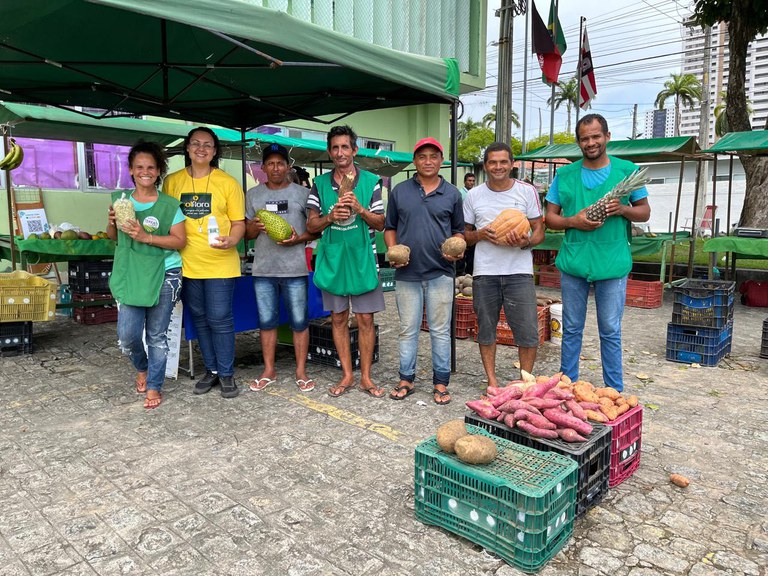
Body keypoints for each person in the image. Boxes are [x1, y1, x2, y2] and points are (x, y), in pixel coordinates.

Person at [545, 114, 650, 392]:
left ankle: (614, 391)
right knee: (571, 328)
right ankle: (567, 386)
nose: (590, 142)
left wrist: (623, 209)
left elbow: (644, 212)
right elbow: (550, 218)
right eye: (584, 138)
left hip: (612, 260)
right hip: (575, 260)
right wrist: (573, 221)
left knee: (610, 330)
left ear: (607, 136)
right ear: (579, 141)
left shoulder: (627, 171)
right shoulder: (564, 174)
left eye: (595, 136)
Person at [163, 127, 246, 399]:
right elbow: (166, 221)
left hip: (220, 263)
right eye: (196, 144)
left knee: (220, 319)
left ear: (214, 151)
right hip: (185, 263)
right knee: (199, 318)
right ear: (187, 148)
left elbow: (239, 223)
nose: (201, 149)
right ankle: (210, 370)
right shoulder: (172, 182)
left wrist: (233, 240)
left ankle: (226, 373)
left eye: (207, 145)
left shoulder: (228, 183)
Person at [306, 125, 386, 398]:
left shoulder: (371, 182)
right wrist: (331, 217)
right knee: (338, 318)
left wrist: (359, 209)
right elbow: (312, 225)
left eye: (345, 147)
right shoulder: (319, 184)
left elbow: (381, 222)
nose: (340, 152)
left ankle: (365, 377)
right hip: (333, 259)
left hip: (363, 257)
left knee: (364, 318)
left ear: (354, 150)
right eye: (335, 147)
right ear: (330, 152)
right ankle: (347, 374)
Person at [384, 137, 464, 405]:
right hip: (407, 273)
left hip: (441, 271)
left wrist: (458, 248)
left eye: (433, 156)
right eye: (422, 156)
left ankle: (441, 382)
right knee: (408, 329)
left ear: (441, 160)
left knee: (440, 330)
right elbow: (390, 227)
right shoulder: (400, 191)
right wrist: (393, 251)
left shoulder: (452, 194)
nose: (428, 161)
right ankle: (406, 378)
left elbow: (459, 231)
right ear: (414, 161)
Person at [107, 141, 186, 409]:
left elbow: (179, 241)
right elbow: (114, 239)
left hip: (165, 272)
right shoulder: (120, 200)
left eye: (151, 167)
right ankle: (142, 366)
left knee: (156, 335)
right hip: (131, 273)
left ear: (159, 171)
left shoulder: (169, 205)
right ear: (131, 170)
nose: (145, 172)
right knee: (127, 336)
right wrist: (111, 223)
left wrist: (146, 236)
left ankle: (154, 385)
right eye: (139, 167)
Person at [464, 142, 545, 387]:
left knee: (527, 332)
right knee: (486, 330)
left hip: (518, 272)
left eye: (503, 162)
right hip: (484, 273)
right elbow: (463, 235)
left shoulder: (526, 191)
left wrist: (526, 241)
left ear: (512, 164)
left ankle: (525, 383)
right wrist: (480, 235)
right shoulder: (473, 195)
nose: (498, 167)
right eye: (492, 162)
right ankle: (492, 381)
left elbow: (540, 229)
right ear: (485, 165)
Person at [245, 144, 318, 393]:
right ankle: (269, 370)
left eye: (280, 163)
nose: (275, 168)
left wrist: (297, 238)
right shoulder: (253, 194)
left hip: (294, 268)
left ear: (288, 166)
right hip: (263, 269)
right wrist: (256, 226)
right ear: (263, 167)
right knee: (266, 322)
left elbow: (315, 229)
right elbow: (246, 233)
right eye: (270, 163)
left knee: (299, 321)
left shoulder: (302, 193)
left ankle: (300, 371)